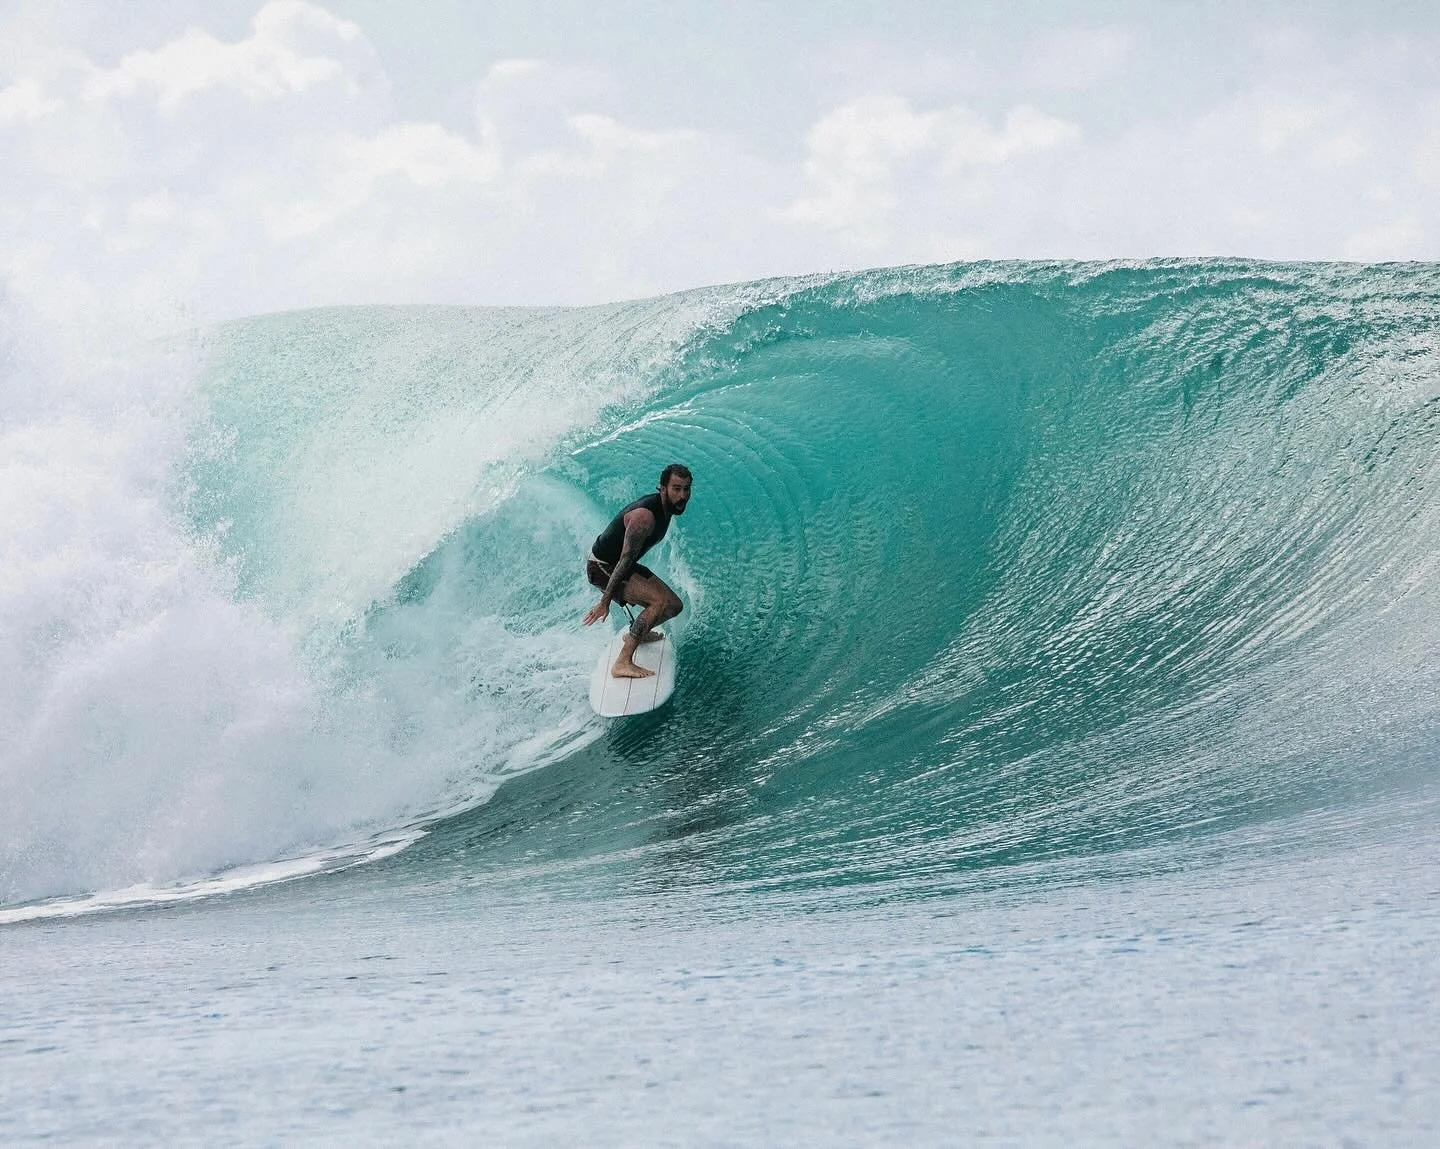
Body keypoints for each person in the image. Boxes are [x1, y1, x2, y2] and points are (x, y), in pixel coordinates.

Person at [583, 463, 692, 678]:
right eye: (676, 488)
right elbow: (624, 561)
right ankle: (622, 661)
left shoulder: (667, 507)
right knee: (659, 602)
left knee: (674, 606)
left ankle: (637, 633)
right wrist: (604, 602)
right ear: (662, 489)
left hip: (622, 565)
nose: (682, 496)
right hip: (603, 567)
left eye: (686, 489)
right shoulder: (645, 518)